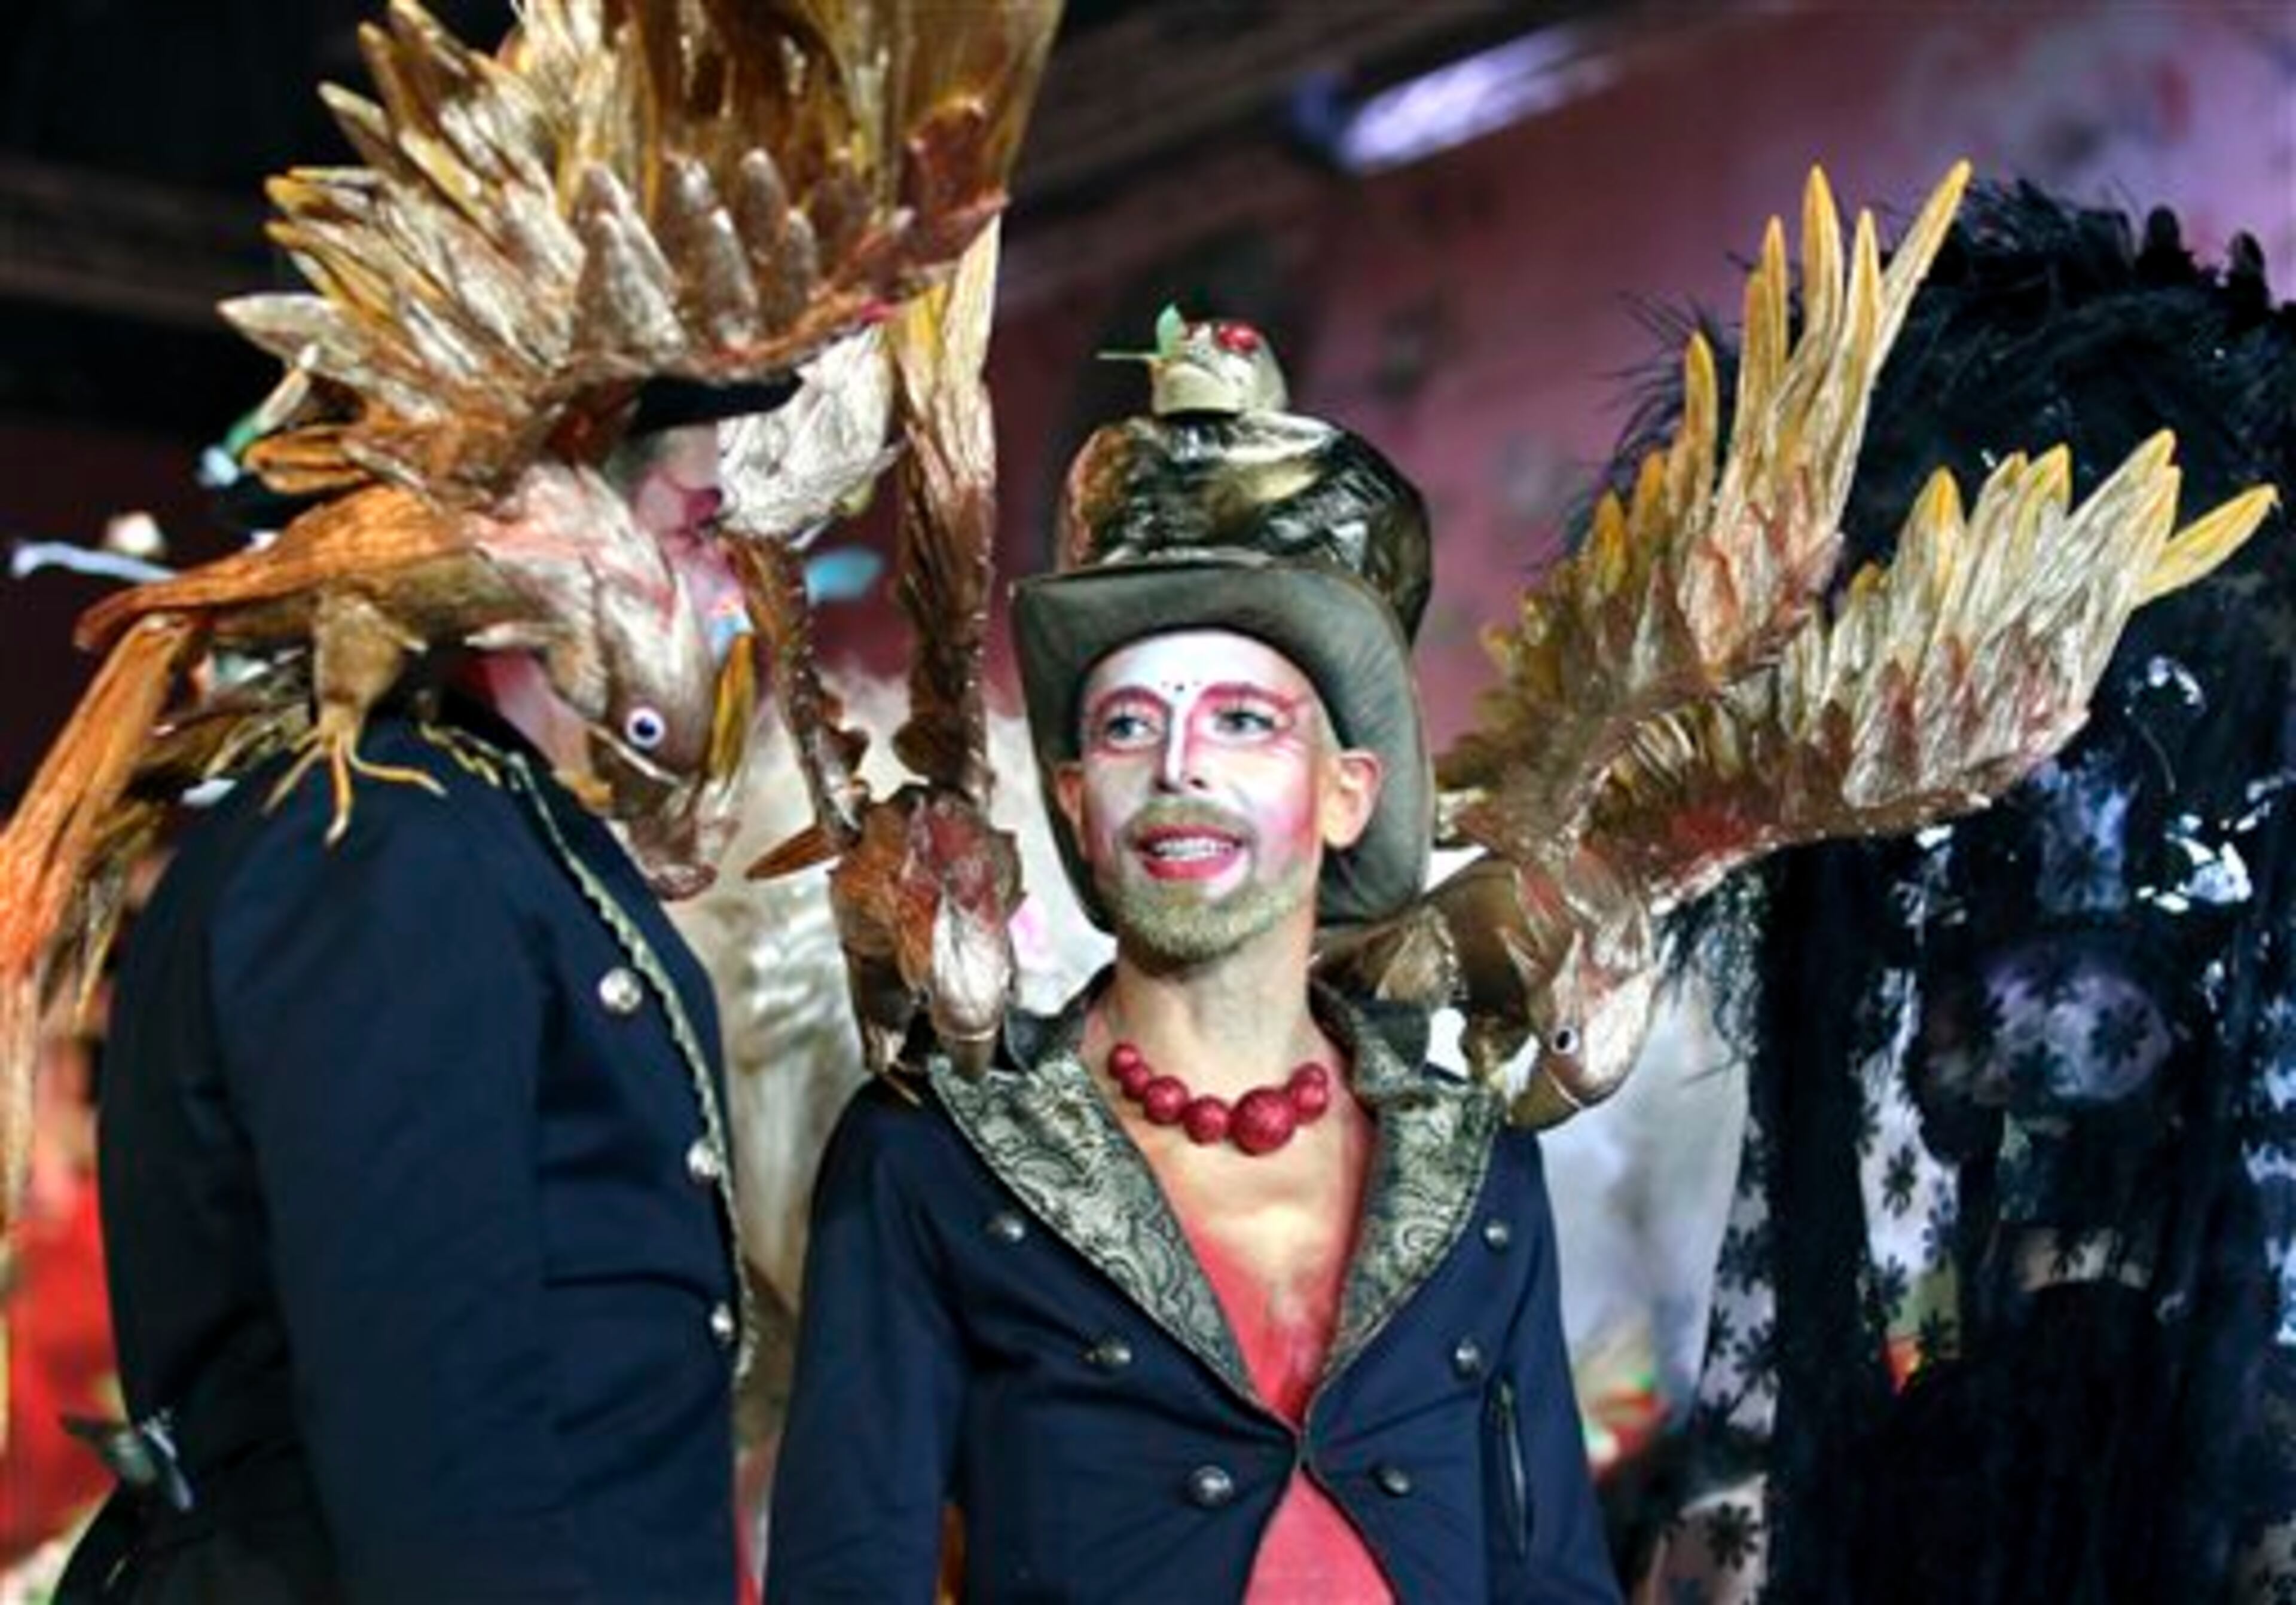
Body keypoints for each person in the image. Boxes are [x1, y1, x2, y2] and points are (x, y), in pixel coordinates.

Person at [767, 316, 1618, 1601]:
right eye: (1125, 726)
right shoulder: (931, 1158)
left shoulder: (1477, 1170)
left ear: (1345, 791)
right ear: (1075, 797)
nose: (1179, 768)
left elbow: (1553, 1577)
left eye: (1242, 719)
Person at [53, 414, 762, 1604]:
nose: (729, 583)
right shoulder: (387, 842)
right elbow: (432, 1399)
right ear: (551, 527)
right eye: (698, 528)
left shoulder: (471, 818)